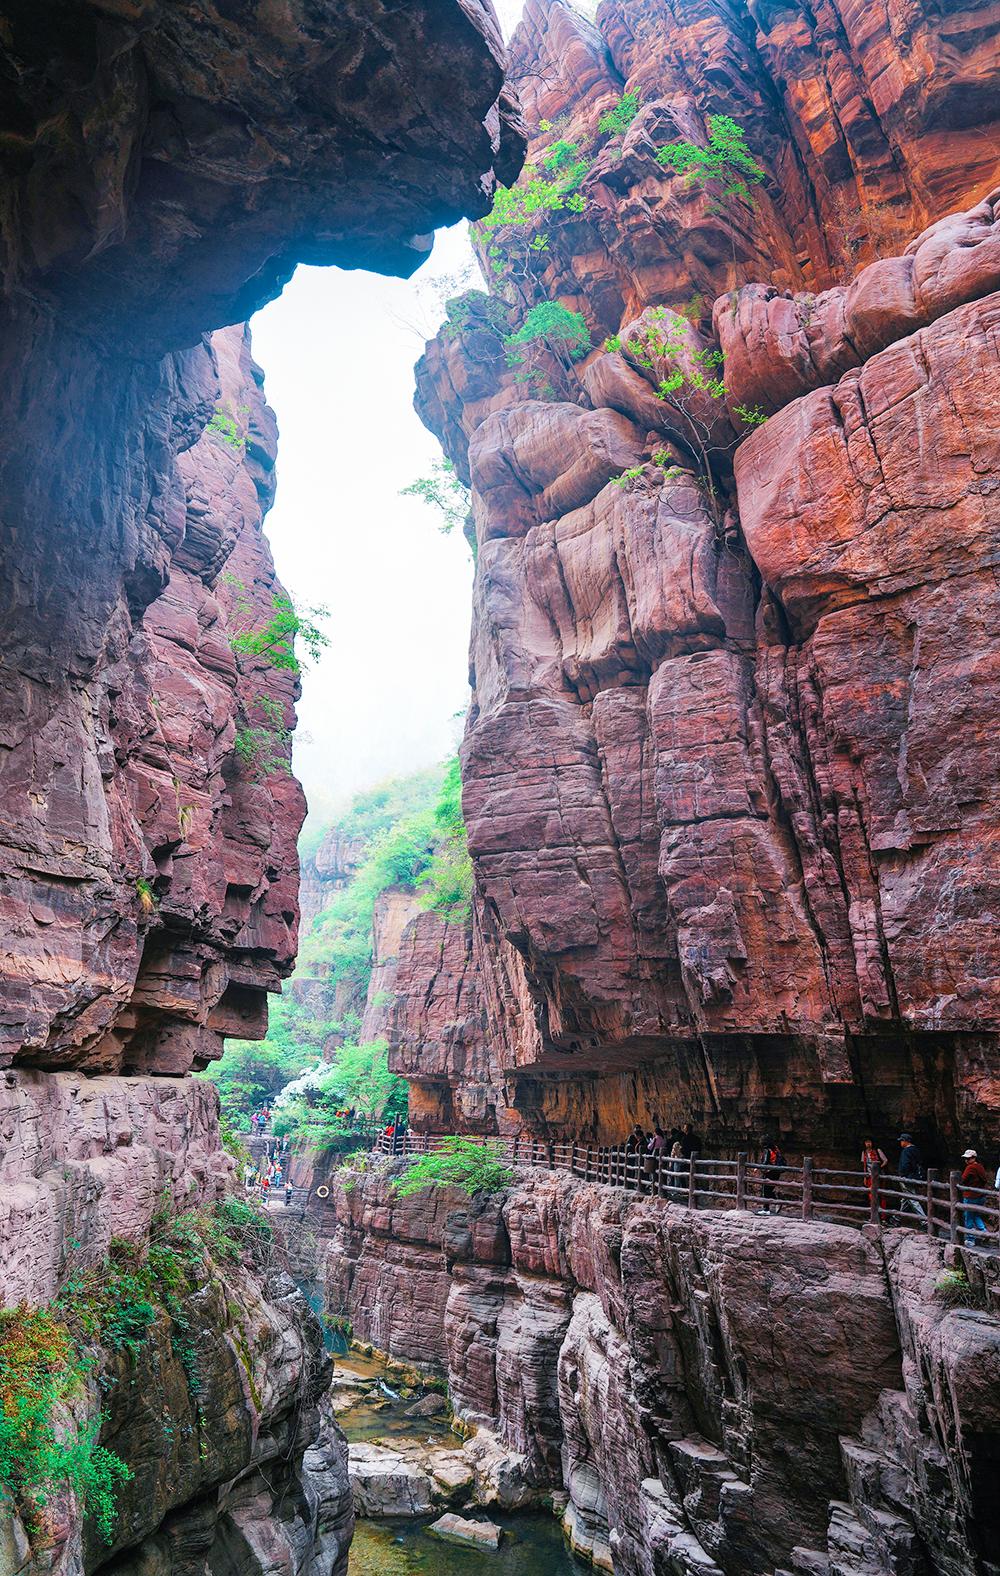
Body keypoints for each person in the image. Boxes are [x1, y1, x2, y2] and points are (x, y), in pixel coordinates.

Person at [960, 1149, 989, 1244]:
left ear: (973, 1158)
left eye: (968, 1158)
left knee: (968, 1217)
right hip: (980, 1196)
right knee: (976, 1215)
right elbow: (984, 1180)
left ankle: (970, 1239)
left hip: (970, 1196)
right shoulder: (980, 1167)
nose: (966, 1161)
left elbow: (963, 1179)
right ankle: (984, 1232)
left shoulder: (970, 1168)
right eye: (965, 1159)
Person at [896, 1134, 926, 1220]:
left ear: (906, 1141)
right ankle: (897, 1219)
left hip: (907, 1177)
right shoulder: (916, 1150)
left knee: (913, 1199)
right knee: (906, 1198)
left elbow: (905, 1165)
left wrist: (902, 1175)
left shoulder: (906, 1151)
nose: (900, 1143)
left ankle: (924, 1221)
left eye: (901, 1141)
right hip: (915, 1177)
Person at [755, 1138, 786, 1214]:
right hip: (776, 1172)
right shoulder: (775, 1149)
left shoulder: (767, 1150)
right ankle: (776, 1201)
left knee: (765, 1190)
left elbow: (765, 1162)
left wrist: (758, 1167)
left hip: (769, 1172)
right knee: (769, 1190)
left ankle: (767, 1209)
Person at [861, 1138, 888, 1213]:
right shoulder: (864, 1153)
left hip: (878, 1176)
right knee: (871, 1194)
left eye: (869, 1142)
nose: (868, 1144)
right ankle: (874, 1213)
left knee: (880, 1194)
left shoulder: (877, 1150)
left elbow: (885, 1161)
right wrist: (865, 1177)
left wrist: (878, 1168)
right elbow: (864, 1165)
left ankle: (883, 1215)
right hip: (869, 1176)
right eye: (866, 1142)